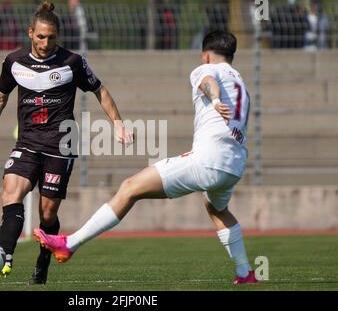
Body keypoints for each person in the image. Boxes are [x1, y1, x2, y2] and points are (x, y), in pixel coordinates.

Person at [35, 30, 259, 285]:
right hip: (234, 165)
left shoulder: (205, 69)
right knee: (216, 207)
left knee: (130, 188)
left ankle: (69, 244)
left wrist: (215, 98)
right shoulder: (241, 85)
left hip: (209, 160)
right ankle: (245, 272)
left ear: (205, 54)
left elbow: (208, 81)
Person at [0, 2, 133, 285]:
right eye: (40, 36)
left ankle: (43, 262)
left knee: (48, 212)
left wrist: (118, 122)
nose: (45, 42)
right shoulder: (14, 62)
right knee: (10, 193)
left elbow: (100, 90)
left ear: (58, 36)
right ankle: (5, 254)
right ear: (30, 32)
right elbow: (0, 98)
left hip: (60, 145)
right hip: (28, 142)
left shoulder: (72, 62)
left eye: (51, 37)